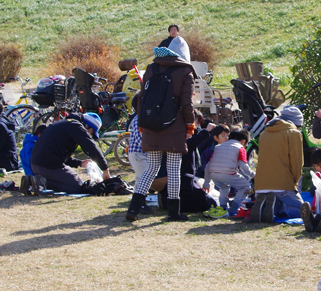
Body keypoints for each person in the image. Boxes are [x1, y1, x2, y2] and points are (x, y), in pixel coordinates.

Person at [125, 46, 197, 222]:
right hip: (175, 125)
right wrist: (190, 124)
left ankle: (134, 208)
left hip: (150, 124)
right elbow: (187, 104)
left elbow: (142, 97)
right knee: (173, 169)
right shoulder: (185, 71)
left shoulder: (151, 68)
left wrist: (142, 122)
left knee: (151, 168)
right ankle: (173, 212)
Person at [29, 113, 111, 194]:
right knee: (77, 187)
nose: (90, 135)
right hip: (49, 166)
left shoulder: (64, 124)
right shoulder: (76, 126)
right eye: (92, 132)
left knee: (67, 182)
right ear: (87, 126)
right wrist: (105, 169)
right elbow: (91, 147)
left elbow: (58, 153)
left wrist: (79, 163)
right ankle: (39, 183)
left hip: (35, 165)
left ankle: (35, 181)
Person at [251, 106, 305, 222]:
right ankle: (279, 208)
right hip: (282, 183)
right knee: (305, 210)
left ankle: (267, 206)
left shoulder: (264, 133)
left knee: (277, 196)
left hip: (261, 184)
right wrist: (294, 183)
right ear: (296, 123)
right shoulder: (293, 133)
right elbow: (297, 163)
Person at [206, 127, 254, 216]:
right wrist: (253, 175)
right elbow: (243, 166)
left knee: (224, 187)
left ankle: (223, 208)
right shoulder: (240, 147)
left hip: (213, 174)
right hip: (228, 173)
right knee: (245, 186)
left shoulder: (218, 146)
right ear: (243, 141)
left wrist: (206, 182)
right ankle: (233, 210)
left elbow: (208, 165)